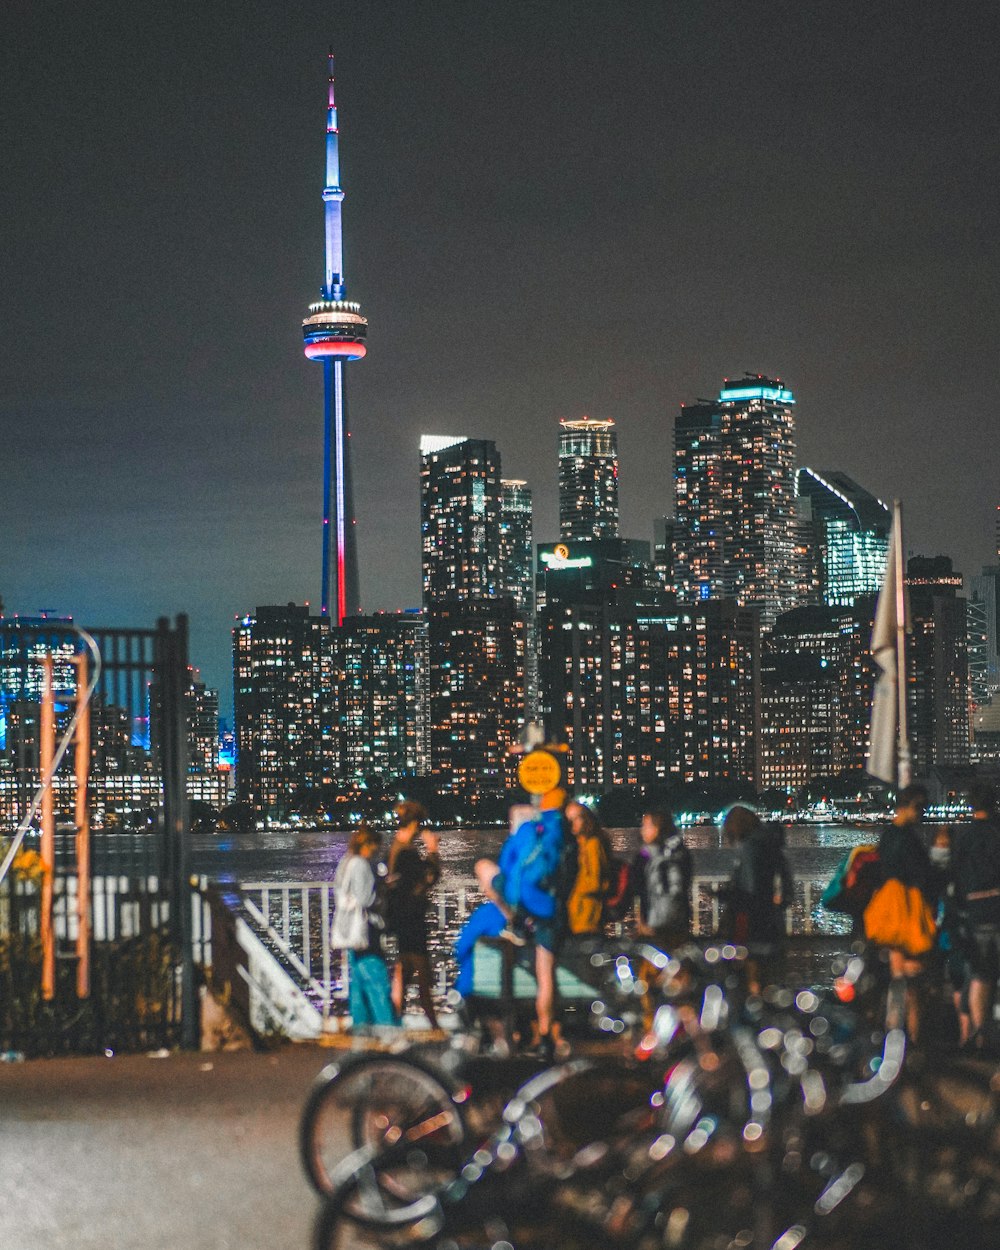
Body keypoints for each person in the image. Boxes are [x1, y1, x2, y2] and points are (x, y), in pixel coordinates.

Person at [474, 789, 572, 1061]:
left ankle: (514, 921)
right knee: (546, 976)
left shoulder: (527, 829)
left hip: (520, 902)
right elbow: (569, 875)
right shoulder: (566, 834)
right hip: (549, 910)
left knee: (483, 867)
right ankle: (545, 1037)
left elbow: (505, 865)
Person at [872, 783, 934, 1041]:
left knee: (898, 977)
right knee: (912, 979)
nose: (922, 813)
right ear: (908, 806)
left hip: (888, 909)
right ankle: (913, 1037)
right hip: (907, 910)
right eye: (920, 807)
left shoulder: (887, 837)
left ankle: (894, 1033)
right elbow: (920, 874)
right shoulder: (906, 839)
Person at [331, 824, 398, 1031]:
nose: (375, 852)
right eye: (374, 847)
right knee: (377, 978)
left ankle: (362, 1030)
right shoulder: (360, 863)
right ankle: (388, 1029)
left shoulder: (346, 861)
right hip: (364, 929)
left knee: (358, 984)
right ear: (367, 844)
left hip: (348, 928)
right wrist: (384, 887)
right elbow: (366, 898)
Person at [721, 805, 793, 991]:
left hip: (751, 921)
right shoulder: (770, 844)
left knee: (750, 971)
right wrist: (781, 902)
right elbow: (786, 879)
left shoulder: (749, 848)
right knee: (769, 973)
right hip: (770, 918)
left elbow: (749, 888)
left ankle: (754, 1006)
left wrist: (727, 895)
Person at [952, 781, 1000, 1053]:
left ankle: (980, 1037)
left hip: (974, 912)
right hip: (997, 908)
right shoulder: (997, 831)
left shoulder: (964, 837)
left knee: (980, 976)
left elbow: (955, 878)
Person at [386, 800, 441, 1029]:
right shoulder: (406, 853)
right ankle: (433, 1025)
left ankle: (392, 1019)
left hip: (400, 918)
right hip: (411, 919)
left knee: (405, 971)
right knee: (423, 972)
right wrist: (433, 851)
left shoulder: (395, 848)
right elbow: (429, 878)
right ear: (416, 824)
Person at [632, 808, 692, 948]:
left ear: (657, 828)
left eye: (646, 826)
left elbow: (637, 887)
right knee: (676, 964)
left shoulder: (645, 856)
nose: (642, 830)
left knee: (652, 963)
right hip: (679, 921)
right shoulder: (681, 853)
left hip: (651, 922)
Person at [565, 800, 612, 936]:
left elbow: (595, 881)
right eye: (569, 819)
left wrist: (570, 888)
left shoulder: (593, 844)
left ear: (587, 819)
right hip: (574, 913)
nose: (572, 823)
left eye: (577, 818)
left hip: (587, 913)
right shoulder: (576, 845)